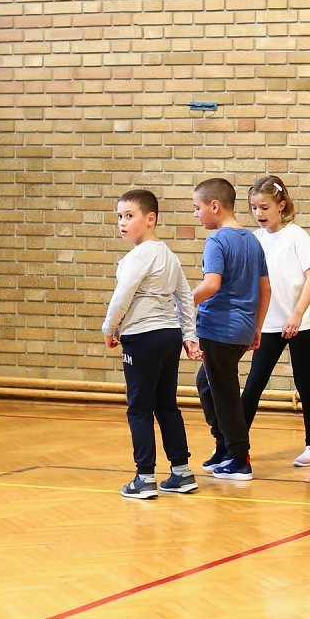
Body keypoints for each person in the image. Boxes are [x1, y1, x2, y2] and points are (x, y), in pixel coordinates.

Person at [101, 189, 201, 500]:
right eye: (119, 216)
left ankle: (144, 477)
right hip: (168, 336)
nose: (122, 222)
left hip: (143, 338)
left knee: (139, 408)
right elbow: (185, 297)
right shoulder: (168, 254)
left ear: (151, 219)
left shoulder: (140, 256)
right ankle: (182, 472)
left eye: (129, 216)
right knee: (166, 405)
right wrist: (188, 335)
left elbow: (122, 296)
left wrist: (109, 328)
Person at [241, 176, 310, 467]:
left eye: (264, 207)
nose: (259, 213)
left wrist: (297, 313)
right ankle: (235, 446)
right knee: (254, 384)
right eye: (254, 208)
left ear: (281, 205)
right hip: (269, 324)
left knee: (304, 382)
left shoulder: (296, 235)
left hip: (301, 322)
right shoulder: (255, 239)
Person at [191, 177, 270, 481]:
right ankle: (224, 446)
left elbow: (211, 285)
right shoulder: (252, 239)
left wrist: (181, 301)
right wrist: (256, 327)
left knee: (223, 392)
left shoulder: (217, 241)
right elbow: (266, 289)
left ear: (214, 205)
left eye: (197, 207)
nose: (196, 214)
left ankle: (239, 457)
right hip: (241, 329)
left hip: (219, 329)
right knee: (207, 383)